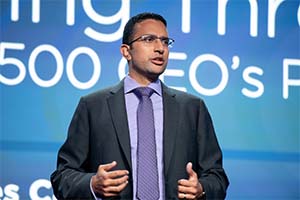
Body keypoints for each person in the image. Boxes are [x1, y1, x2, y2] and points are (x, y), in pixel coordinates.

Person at [51, 12, 229, 200]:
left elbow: (217, 177)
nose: (160, 48)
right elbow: (63, 176)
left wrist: (201, 188)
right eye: (149, 39)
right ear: (126, 51)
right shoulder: (93, 106)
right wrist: (93, 184)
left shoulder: (193, 109)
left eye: (165, 41)